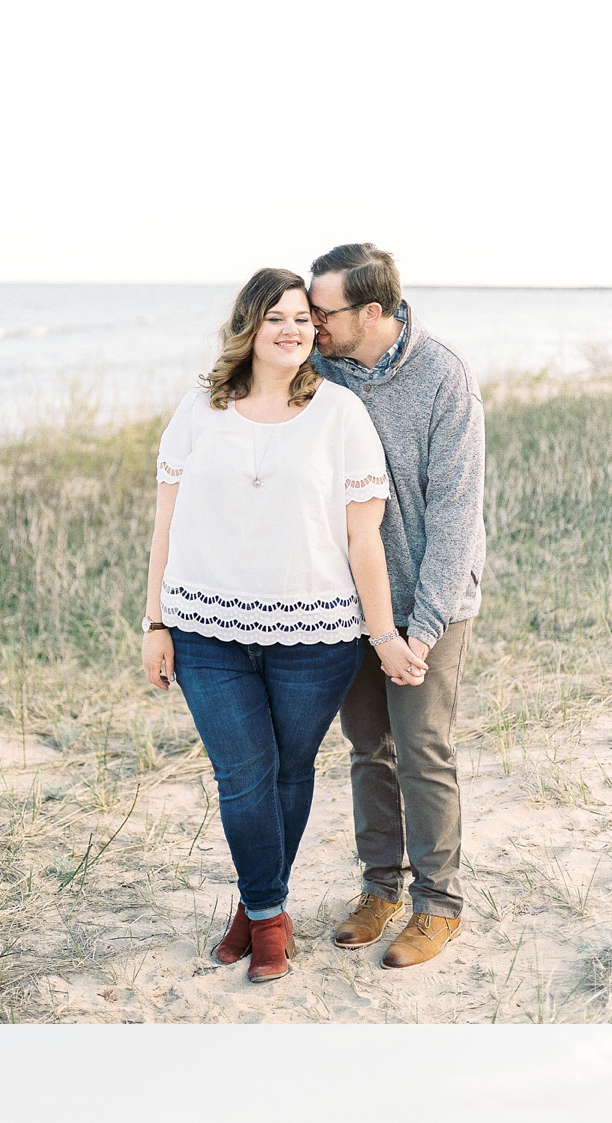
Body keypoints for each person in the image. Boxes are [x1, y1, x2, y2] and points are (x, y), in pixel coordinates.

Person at [141, 268, 425, 984]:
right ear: (248, 327)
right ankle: (269, 914)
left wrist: (384, 633)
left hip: (315, 632)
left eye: (302, 317)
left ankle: (252, 905)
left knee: (290, 771)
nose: (292, 329)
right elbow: (164, 522)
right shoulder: (197, 411)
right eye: (275, 318)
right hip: (205, 626)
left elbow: (364, 538)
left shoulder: (339, 414)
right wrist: (155, 623)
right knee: (242, 774)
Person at [308, 244, 486, 968]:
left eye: (324, 310)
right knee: (367, 751)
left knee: (422, 751)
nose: (312, 322)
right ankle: (379, 888)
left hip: (429, 604)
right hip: (347, 605)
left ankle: (438, 905)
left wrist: (421, 626)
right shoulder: (318, 374)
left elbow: (456, 515)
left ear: (372, 311)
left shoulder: (443, 377)